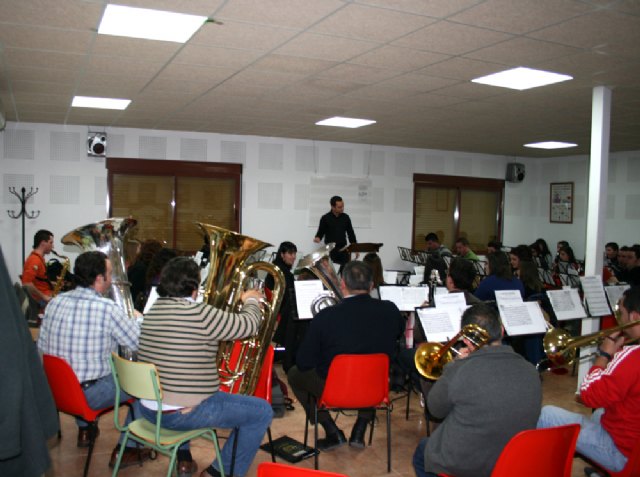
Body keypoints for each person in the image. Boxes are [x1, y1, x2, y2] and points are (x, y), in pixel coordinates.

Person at [138, 257, 272, 477]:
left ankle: (184, 461)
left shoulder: (153, 311)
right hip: (178, 414)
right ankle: (221, 472)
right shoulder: (199, 313)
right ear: (193, 288)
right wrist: (251, 301)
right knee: (261, 411)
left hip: (149, 408)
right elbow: (248, 325)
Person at [37, 251, 150, 468]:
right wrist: (139, 318)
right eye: (109, 273)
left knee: (84, 370)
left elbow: (41, 347)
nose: (111, 278)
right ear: (99, 279)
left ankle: (85, 431)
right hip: (88, 395)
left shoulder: (55, 302)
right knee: (142, 387)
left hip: (57, 390)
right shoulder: (107, 308)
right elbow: (137, 343)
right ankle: (127, 450)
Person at [412, 303, 542, 477]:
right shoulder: (531, 370)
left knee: (422, 452)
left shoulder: (459, 370)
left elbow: (435, 409)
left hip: (472, 465)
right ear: (502, 331)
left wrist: (454, 366)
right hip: (514, 462)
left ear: (466, 340)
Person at [287, 261, 404, 450]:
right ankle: (360, 429)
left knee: (294, 374)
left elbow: (303, 362)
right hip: (376, 389)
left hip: (335, 390)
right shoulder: (390, 310)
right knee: (369, 373)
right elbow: (397, 336)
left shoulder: (325, 316)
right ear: (372, 285)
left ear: (342, 284)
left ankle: (332, 431)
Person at [537, 286, 640, 475]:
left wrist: (604, 354)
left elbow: (587, 395)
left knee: (547, 413)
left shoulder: (633, 356)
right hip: (633, 441)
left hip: (623, 454)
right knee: (600, 412)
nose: (619, 318)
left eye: (621, 312)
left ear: (634, 317)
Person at [266, 241, 306, 373]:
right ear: (282, 254)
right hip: (283, 310)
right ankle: (292, 356)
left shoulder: (279, 267)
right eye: (290, 253)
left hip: (282, 306)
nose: (293, 256)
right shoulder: (281, 271)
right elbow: (290, 296)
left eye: (294, 253)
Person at [314, 195, 357, 267]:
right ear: (332, 207)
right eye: (339, 207)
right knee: (332, 274)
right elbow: (320, 231)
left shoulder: (346, 217)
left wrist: (355, 248)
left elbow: (351, 233)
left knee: (344, 272)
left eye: (343, 206)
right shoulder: (325, 218)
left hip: (343, 250)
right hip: (330, 251)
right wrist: (318, 237)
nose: (342, 209)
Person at [21, 229, 55, 308]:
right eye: (51, 243)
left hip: (46, 293)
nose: (53, 246)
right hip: (40, 299)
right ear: (43, 243)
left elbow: (38, 279)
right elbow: (27, 284)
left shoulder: (39, 258)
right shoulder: (34, 260)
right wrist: (44, 297)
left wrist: (51, 283)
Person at [127, 239, 162, 311]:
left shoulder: (138, 268)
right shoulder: (154, 269)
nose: (137, 249)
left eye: (139, 247)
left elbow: (132, 291)